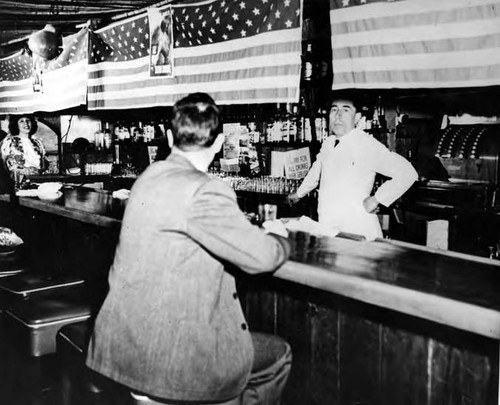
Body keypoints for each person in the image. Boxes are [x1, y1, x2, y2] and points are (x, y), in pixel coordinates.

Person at [86, 93, 292, 404]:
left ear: (169, 137)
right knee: (278, 354)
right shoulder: (206, 189)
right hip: (175, 362)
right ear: (221, 141)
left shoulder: (148, 177)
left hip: (126, 350)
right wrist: (280, 235)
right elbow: (263, 257)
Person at [287, 92, 418, 241]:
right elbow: (316, 172)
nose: (338, 115)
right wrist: (299, 194)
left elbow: (408, 173)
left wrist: (376, 199)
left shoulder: (366, 144)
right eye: (334, 109)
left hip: (357, 230)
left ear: (357, 118)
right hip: (329, 227)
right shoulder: (329, 143)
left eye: (345, 110)